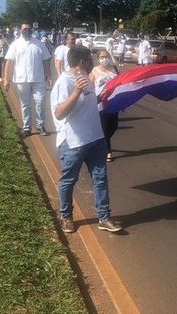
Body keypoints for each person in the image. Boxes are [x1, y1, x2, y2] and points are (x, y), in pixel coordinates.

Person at [51, 45, 123, 234]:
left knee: (100, 179)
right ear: (82, 62)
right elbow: (58, 113)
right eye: (91, 60)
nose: (95, 62)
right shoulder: (64, 82)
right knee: (68, 180)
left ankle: (104, 218)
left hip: (96, 139)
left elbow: (90, 103)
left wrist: (105, 97)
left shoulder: (87, 79)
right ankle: (66, 216)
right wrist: (75, 91)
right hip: (74, 143)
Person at [3, 22, 52, 137]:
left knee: (40, 102)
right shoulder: (15, 45)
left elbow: (46, 61)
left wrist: (48, 76)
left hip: (38, 78)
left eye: (28, 29)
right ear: (20, 30)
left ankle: (41, 126)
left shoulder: (39, 44)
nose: (26, 30)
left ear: (32, 30)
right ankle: (27, 127)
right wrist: (6, 79)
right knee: (25, 104)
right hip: (21, 79)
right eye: (24, 29)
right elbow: (9, 63)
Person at [90, 50, 120, 163]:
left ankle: (100, 141)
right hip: (101, 103)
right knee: (105, 128)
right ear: (98, 59)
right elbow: (89, 87)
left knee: (114, 126)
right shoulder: (94, 71)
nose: (105, 59)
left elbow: (121, 83)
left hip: (114, 101)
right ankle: (108, 151)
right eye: (102, 57)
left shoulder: (114, 69)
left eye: (106, 56)